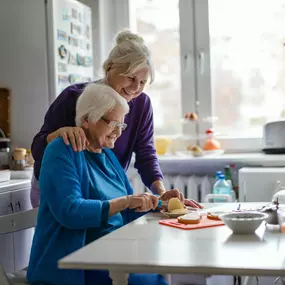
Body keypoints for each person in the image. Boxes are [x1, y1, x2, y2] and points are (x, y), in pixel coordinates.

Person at [31, 29, 201, 209]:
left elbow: (146, 154)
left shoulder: (141, 104)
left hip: (100, 191)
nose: (135, 88)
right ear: (110, 67)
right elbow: (37, 149)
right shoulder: (73, 97)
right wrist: (58, 134)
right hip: (58, 190)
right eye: (131, 77)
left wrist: (161, 194)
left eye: (143, 82)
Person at [27, 83, 168, 285]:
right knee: (150, 281)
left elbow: (129, 210)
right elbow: (70, 210)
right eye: (113, 124)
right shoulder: (62, 150)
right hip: (73, 264)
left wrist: (161, 204)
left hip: (112, 255)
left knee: (156, 274)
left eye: (122, 125)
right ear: (86, 120)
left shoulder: (108, 156)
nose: (118, 132)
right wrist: (125, 202)